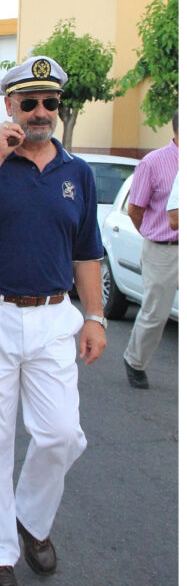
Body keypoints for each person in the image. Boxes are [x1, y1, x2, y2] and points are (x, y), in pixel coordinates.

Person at [0, 56, 106, 586]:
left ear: (60, 108)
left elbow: (87, 253)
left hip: (53, 317)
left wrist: (96, 316)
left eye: (50, 103)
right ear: (9, 105)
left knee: (62, 433)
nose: (40, 112)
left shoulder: (77, 173)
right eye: (29, 102)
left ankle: (32, 520)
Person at [122, 110, 179, 390]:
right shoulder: (153, 163)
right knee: (156, 312)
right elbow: (135, 209)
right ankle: (135, 361)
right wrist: (151, 235)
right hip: (164, 249)